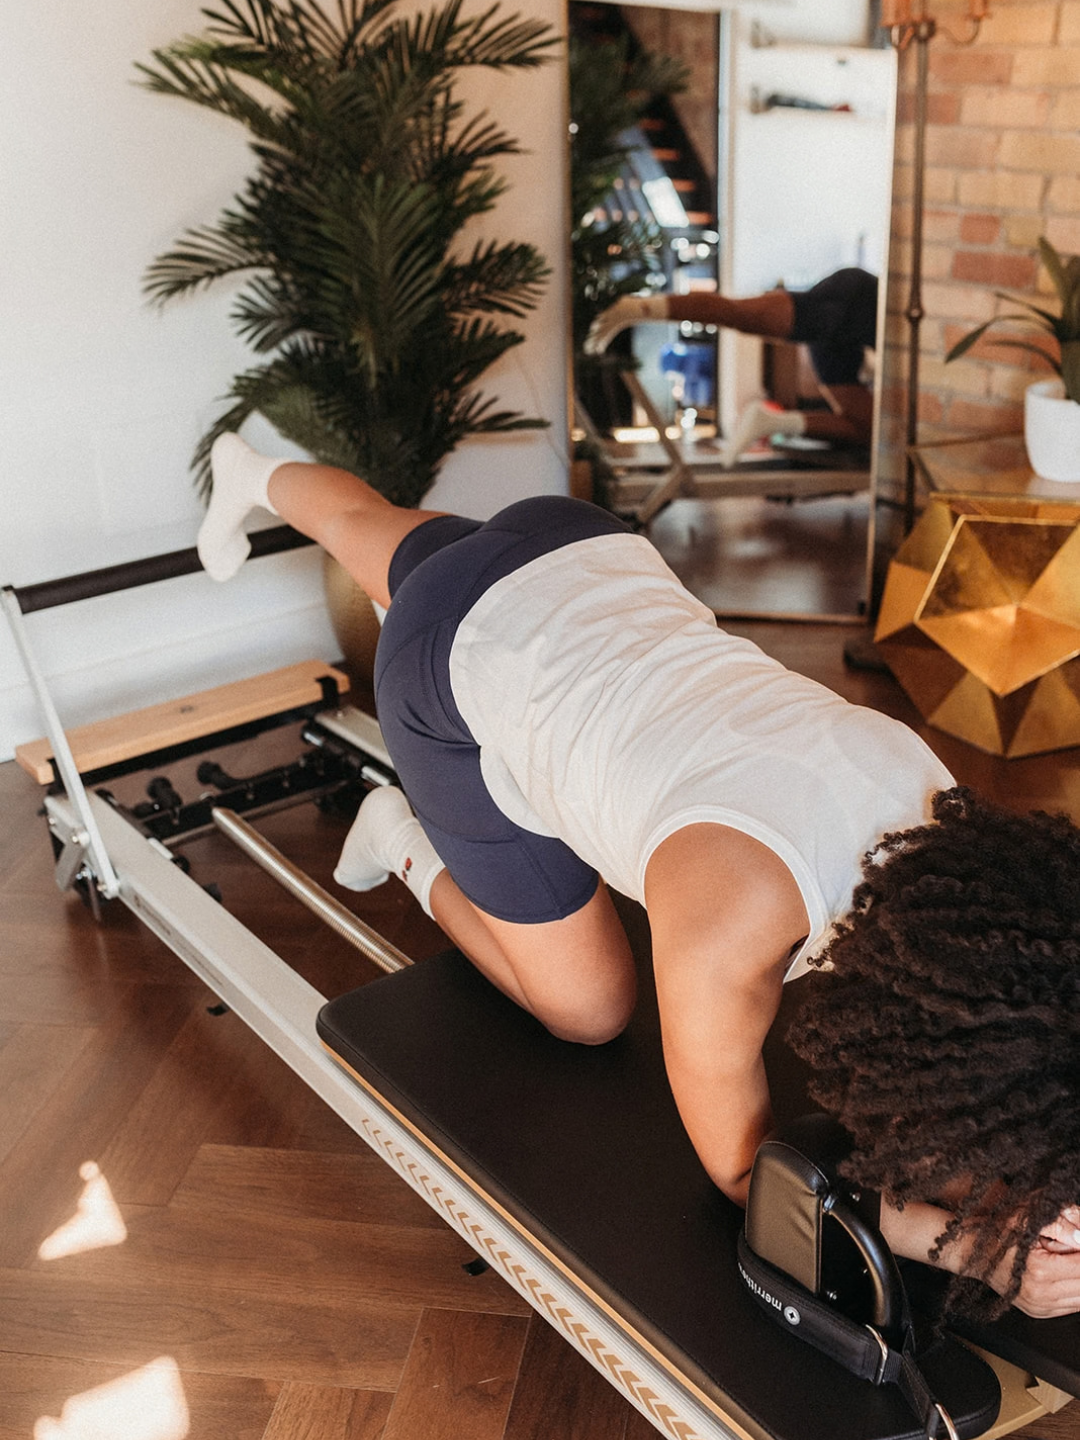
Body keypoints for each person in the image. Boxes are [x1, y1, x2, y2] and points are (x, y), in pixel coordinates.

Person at [198, 433, 1080, 1320]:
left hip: (581, 555)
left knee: (365, 524)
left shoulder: (946, 825)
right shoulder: (732, 922)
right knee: (588, 1011)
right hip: (449, 666)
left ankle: (249, 470)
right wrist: (983, 1250)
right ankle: (399, 837)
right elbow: (749, 1174)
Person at [586, 267, 878, 464]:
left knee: (869, 429)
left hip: (850, 335)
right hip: (857, 301)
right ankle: (635, 308)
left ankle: (771, 422)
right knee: (740, 314)